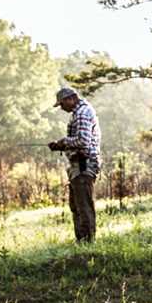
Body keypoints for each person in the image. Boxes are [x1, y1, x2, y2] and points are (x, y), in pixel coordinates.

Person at [48, 87, 101, 242]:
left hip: (84, 165)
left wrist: (63, 142)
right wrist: (60, 146)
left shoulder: (83, 113)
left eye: (62, 104)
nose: (62, 108)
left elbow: (83, 141)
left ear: (71, 99)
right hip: (78, 165)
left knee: (84, 206)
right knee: (76, 206)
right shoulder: (78, 113)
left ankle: (88, 242)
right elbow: (79, 140)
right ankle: (82, 241)